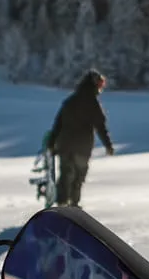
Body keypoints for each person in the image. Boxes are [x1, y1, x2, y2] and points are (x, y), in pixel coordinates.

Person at [44, 69, 113, 208]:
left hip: (64, 145)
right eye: (100, 85)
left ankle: (62, 204)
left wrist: (51, 143)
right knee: (78, 177)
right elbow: (100, 126)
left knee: (65, 175)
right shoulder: (93, 104)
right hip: (82, 147)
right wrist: (108, 145)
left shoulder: (70, 101)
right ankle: (74, 205)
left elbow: (58, 124)